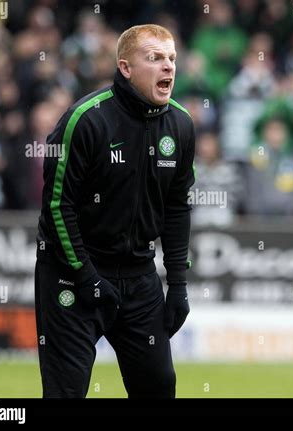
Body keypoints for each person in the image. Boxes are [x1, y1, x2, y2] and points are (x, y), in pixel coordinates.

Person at [35, 24, 195, 398]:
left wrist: (178, 284)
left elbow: (177, 208)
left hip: (139, 276)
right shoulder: (86, 120)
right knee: (65, 393)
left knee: (159, 387)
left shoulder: (182, 124)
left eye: (171, 58)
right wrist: (86, 276)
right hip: (71, 276)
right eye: (154, 58)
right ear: (125, 67)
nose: (168, 67)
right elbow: (58, 208)